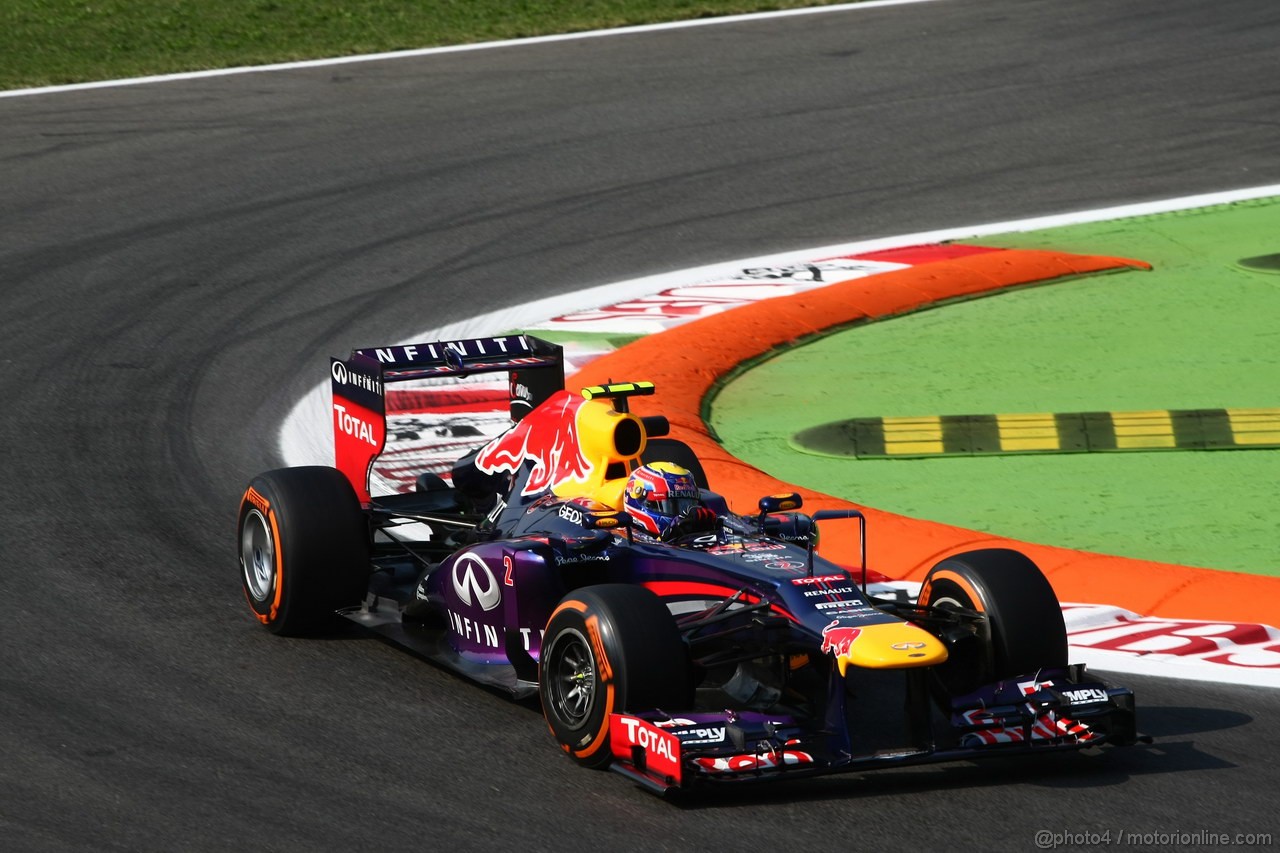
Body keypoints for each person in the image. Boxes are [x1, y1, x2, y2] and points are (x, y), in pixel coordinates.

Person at [623, 462, 718, 541]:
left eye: (687, 504)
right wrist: (669, 537)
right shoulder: (621, 537)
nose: (683, 515)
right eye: (670, 506)